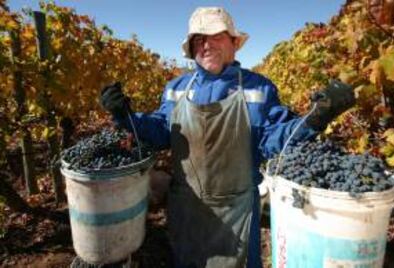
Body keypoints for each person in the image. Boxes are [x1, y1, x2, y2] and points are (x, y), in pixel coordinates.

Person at [100, 6, 355, 268]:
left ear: (234, 43)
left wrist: (315, 118)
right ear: (192, 49)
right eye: (199, 39)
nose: (206, 45)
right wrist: (125, 115)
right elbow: (161, 132)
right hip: (186, 210)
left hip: (238, 213)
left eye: (215, 36)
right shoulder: (176, 90)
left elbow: (273, 140)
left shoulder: (259, 88)